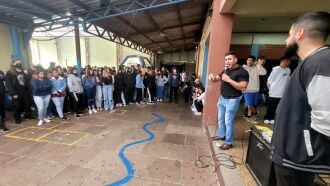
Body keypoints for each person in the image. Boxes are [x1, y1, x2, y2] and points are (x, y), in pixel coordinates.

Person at [272, 11, 330, 185]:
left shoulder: (320, 63)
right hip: (295, 157)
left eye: (289, 35)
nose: (286, 40)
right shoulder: (312, 62)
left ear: (299, 33)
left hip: (300, 160)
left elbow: (327, 119)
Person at [208, 51, 249, 150]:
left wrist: (229, 80)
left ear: (235, 59)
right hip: (222, 98)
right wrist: (212, 77)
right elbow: (217, 78)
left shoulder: (242, 71)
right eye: (226, 59)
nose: (227, 61)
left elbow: (243, 87)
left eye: (229, 59)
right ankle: (222, 135)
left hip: (232, 100)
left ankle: (229, 142)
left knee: (228, 122)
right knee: (221, 119)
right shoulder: (226, 70)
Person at [263, 57, 291, 125]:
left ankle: (272, 118)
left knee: (277, 107)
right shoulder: (275, 69)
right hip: (274, 92)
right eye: (288, 61)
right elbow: (269, 81)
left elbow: (288, 80)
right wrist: (271, 89)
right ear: (283, 61)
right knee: (271, 106)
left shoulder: (288, 70)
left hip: (282, 92)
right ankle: (267, 118)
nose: (289, 63)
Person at [242, 55, 267, 122]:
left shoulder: (256, 68)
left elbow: (264, 73)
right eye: (248, 60)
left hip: (255, 89)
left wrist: (259, 65)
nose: (249, 61)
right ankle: (253, 114)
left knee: (253, 104)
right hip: (246, 89)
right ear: (246, 61)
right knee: (249, 104)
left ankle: (250, 116)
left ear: (254, 62)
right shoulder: (243, 68)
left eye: (251, 60)